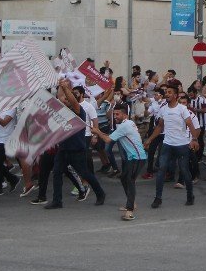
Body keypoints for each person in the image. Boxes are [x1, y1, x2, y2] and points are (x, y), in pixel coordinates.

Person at [47, 79, 105, 209]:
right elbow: (61, 97)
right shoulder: (64, 111)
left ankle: (100, 194)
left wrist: (66, 87)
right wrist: (60, 85)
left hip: (76, 148)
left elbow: (72, 100)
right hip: (63, 148)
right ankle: (57, 201)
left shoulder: (79, 111)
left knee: (85, 173)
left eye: (68, 99)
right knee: (57, 173)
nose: (65, 101)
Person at [143, 85, 199, 208]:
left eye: (169, 92)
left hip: (182, 145)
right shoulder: (164, 109)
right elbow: (159, 127)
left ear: (175, 95)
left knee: (184, 170)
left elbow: (190, 125)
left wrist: (194, 139)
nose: (167, 94)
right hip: (167, 144)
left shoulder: (182, 109)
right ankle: (158, 198)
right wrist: (149, 140)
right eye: (166, 92)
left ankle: (190, 195)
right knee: (161, 169)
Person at [94, 104, 148, 221]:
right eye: (114, 114)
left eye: (117, 114)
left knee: (130, 180)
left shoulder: (125, 126)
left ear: (125, 114)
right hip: (132, 157)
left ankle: (130, 210)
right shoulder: (125, 124)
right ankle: (131, 203)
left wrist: (97, 131)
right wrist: (98, 131)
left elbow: (107, 140)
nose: (115, 116)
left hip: (137, 158)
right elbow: (109, 137)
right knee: (124, 178)